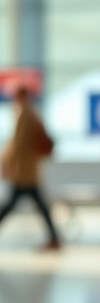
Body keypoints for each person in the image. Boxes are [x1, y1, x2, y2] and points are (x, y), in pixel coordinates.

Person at [0, 84, 60, 250]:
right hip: (29, 170)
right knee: (39, 206)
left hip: (23, 170)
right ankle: (54, 238)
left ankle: (54, 238)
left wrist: (5, 162)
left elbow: (18, 143)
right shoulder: (32, 112)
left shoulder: (24, 114)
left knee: (9, 206)